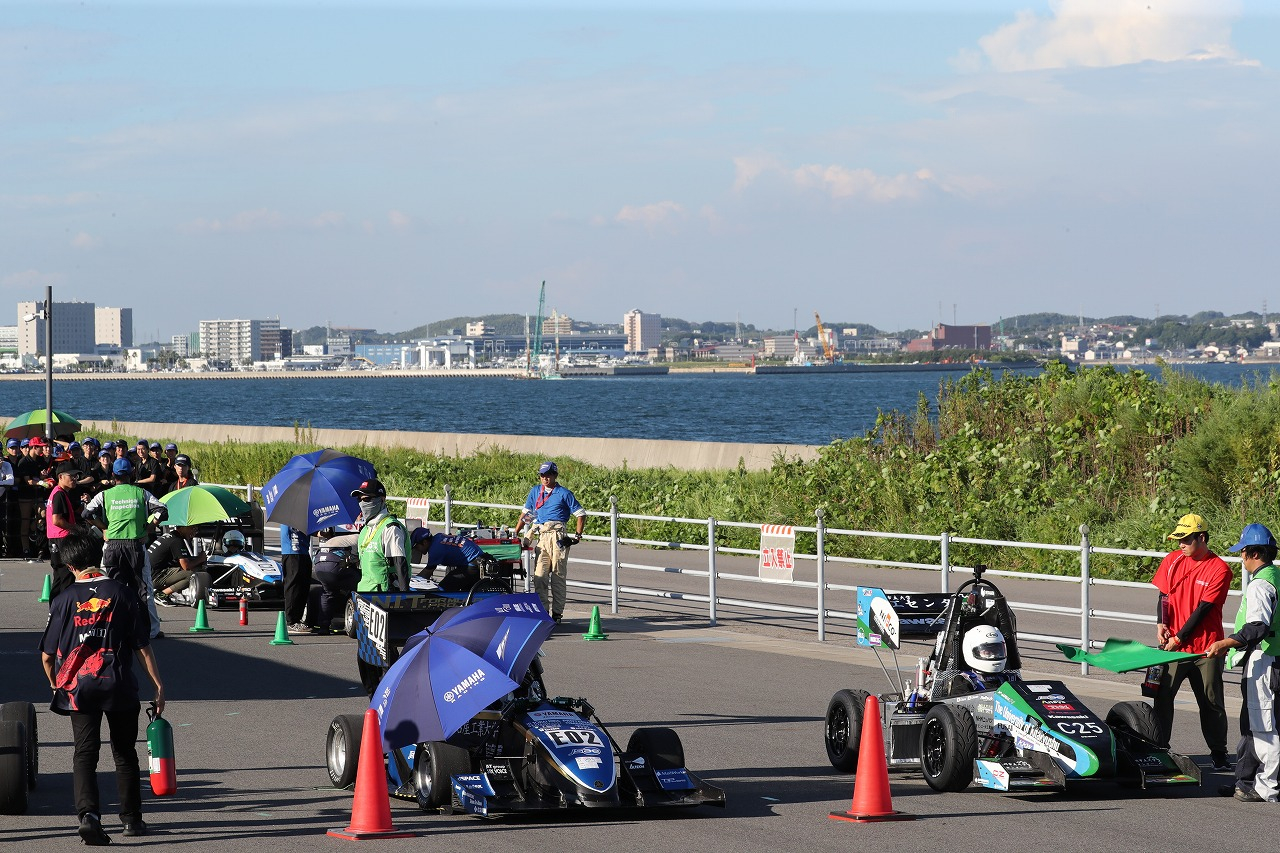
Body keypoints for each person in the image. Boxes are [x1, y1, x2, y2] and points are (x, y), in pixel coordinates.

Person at [38, 528, 165, 845]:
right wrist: (158, 686)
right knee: (124, 752)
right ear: (99, 557)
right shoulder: (123, 593)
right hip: (119, 684)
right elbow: (142, 646)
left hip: (79, 687)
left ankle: (89, 816)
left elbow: (47, 656)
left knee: (84, 753)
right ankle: (132, 819)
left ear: (70, 566)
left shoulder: (63, 600)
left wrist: (55, 684)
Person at [1152, 512, 1233, 768]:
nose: (1181, 544)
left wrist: (1179, 638)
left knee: (1211, 702)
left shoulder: (1219, 569)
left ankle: (1219, 753)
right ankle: (1159, 749)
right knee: (1162, 698)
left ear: (1202, 537)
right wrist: (1161, 623)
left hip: (1206, 648)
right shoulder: (1172, 560)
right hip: (1173, 646)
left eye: (1186, 539)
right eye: (1178, 539)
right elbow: (1164, 596)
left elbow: (1203, 609)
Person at [1206, 523, 1280, 803]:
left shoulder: (1261, 584)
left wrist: (1226, 643)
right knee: (1251, 725)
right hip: (1271, 659)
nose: (1241, 558)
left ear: (1254, 553)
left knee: (1264, 727)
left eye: (1243, 551)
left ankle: (1266, 786)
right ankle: (1245, 781)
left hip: (1266, 660)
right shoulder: (1276, 576)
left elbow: (1257, 627)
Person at [82, 459, 168, 640]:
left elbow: (86, 513)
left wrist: (103, 528)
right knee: (143, 589)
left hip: (112, 547)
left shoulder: (104, 495)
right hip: (135, 545)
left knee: (108, 590)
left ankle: (107, 629)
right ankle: (150, 631)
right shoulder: (141, 493)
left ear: (113, 475)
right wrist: (150, 527)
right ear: (132, 474)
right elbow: (162, 509)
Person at [513, 461, 585, 622]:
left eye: (548, 475)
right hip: (542, 536)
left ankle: (557, 614)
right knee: (539, 576)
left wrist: (577, 536)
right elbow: (528, 514)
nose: (545, 478)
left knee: (558, 577)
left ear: (555, 475)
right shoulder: (535, 491)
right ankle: (543, 612)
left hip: (558, 536)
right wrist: (515, 533)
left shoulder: (564, 493)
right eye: (542, 475)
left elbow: (581, 514)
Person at [349, 479, 409, 593]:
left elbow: (400, 563)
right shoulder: (365, 530)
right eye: (359, 499)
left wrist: (404, 597)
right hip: (364, 591)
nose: (362, 503)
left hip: (384, 595)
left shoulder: (391, 528)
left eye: (367, 499)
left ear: (382, 499)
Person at [46, 461, 83, 600]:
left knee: (59, 578)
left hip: (56, 539)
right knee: (67, 577)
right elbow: (57, 520)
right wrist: (76, 528)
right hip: (62, 539)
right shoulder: (59, 494)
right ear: (60, 477)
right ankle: (64, 608)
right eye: (71, 476)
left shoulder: (60, 493)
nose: (74, 479)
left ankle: (55, 609)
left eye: (76, 476)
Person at [147, 524, 208, 604]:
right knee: (192, 575)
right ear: (182, 527)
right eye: (192, 528)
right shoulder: (176, 541)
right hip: (154, 577)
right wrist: (201, 559)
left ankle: (162, 591)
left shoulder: (169, 536)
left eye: (196, 529)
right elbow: (186, 566)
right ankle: (161, 595)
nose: (194, 532)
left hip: (148, 574)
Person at [279, 524, 314, 635]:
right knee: (293, 587)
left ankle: (298, 619)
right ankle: (291, 621)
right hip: (292, 552)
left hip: (304, 552)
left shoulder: (304, 517)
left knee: (304, 587)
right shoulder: (289, 516)